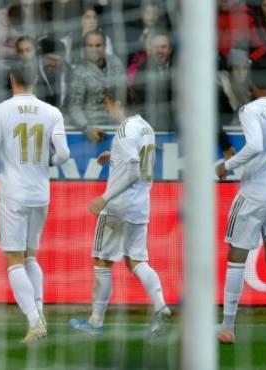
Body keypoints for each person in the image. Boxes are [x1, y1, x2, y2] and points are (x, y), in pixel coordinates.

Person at [69, 86, 170, 337]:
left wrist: (104, 197)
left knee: (102, 261)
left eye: (106, 102)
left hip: (118, 206)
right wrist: (113, 155)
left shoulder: (124, 131)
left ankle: (95, 322)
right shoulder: (145, 126)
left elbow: (134, 169)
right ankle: (160, 305)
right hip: (140, 205)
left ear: (113, 102)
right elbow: (137, 156)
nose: (105, 107)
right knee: (136, 260)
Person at [0, 61, 70, 343]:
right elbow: (64, 154)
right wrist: (49, 162)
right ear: (34, 78)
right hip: (40, 192)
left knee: (13, 259)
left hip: (13, 193)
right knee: (31, 255)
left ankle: (34, 321)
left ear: (10, 79)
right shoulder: (51, 111)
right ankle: (39, 315)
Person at [215, 58, 266, 344]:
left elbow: (255, 146)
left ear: (251, 83)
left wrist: (226, 166)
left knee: (236, 258)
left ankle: (226, 327)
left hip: (254, 193)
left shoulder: (250, 109)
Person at [68, 29, 126, 143]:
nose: (94, 49)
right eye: (90, 46)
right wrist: (87, 128)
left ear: (105, 46)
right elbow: (74, 106)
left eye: (98, 45)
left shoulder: (116, 63)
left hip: (118, 128)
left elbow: (125, 94)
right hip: (92, 129)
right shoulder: (79, 72)